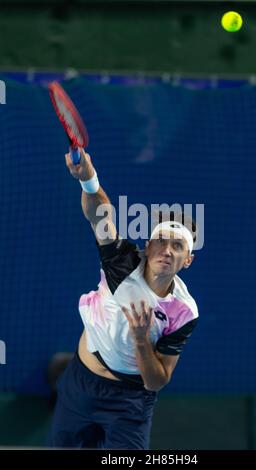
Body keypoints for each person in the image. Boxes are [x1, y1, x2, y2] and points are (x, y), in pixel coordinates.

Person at [46, 149, 199, 449]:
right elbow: (99, 214)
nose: (167, 250)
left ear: (187, 260)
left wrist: (141, 339)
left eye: (178, 246)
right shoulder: (122, 263)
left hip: (130, 403)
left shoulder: (184, 312)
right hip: (81, 382)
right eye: (161, 242)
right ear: (147, 246)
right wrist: (88, 179)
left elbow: (156, 381)